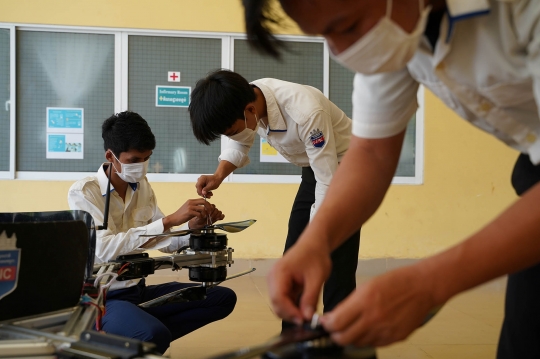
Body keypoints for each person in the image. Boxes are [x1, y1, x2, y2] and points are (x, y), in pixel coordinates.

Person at [242, 0, 540, 357]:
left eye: (346, 25)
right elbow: (371, 153)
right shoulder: (396, 33)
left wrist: (429, 283)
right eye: (323, 36)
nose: (341, 52)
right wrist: (315, 241)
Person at [188, 69, 360, 326]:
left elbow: (328, 181)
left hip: (348, 167)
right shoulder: (249, 101)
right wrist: (219, 175)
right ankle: (293, 337)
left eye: (231, 129)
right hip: (316, 167)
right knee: (294, 258)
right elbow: (240, 139)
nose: (233, 135)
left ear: (249, 110)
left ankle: (341, 341)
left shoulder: (305, 112)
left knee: (336, 261)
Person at [67, 111, 236, 354]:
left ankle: (134, 337)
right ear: (110, 156)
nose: (141, 166)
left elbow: (159, 240)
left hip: (137, 290)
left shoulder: (143, 188)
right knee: (152, 334)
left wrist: (192, 229)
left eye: (147, 158)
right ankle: (131, 334)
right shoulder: (84, 192)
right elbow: (102, 249)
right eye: (135, 159)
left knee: (221, 299)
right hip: (104, 298)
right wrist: (168, 220)